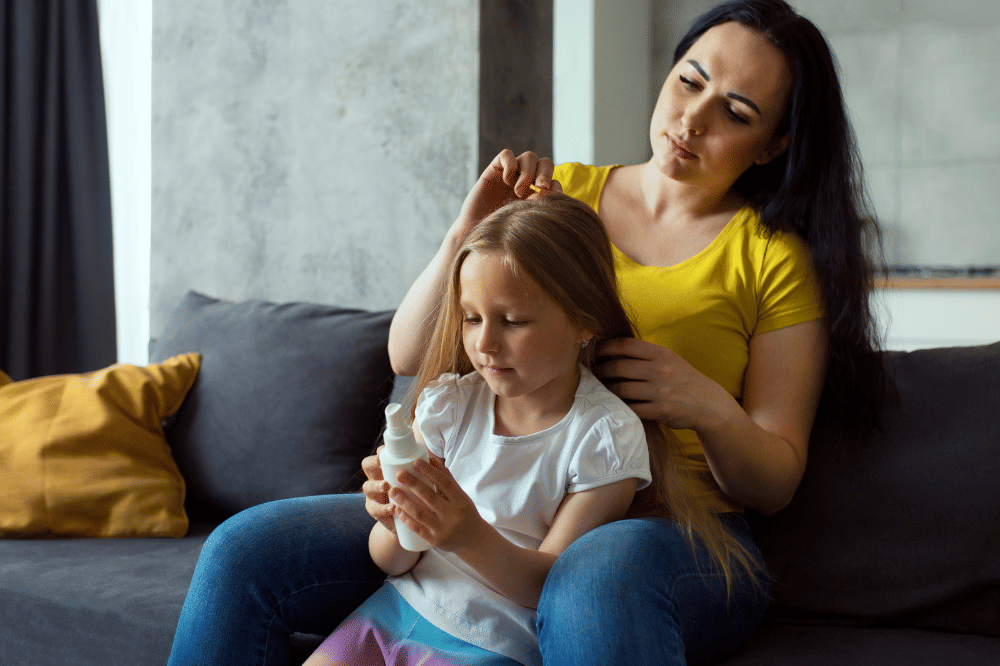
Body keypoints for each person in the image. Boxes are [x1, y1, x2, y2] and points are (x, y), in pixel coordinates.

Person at [166, 1, 886, 664]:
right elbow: (411, 354)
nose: (692, 119)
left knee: (592, 579)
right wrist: (463, 231)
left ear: (773, 143)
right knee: (242, 551)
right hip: (496, 497)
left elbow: (776, 480)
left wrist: (704, 404)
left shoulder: (772, 257)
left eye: (734, 111)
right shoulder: (560, 196)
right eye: (688, 81)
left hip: (676, 531)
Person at [302, 194, 652, 666]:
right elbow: (391, 560)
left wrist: (465, 533)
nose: (484, 343)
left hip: (492, 643)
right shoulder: (452, 404)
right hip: (390, 614)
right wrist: (395, 520)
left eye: (512, 321)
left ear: (583, 322)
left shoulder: (604, 437)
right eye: (471, 318)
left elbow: (549, 588)